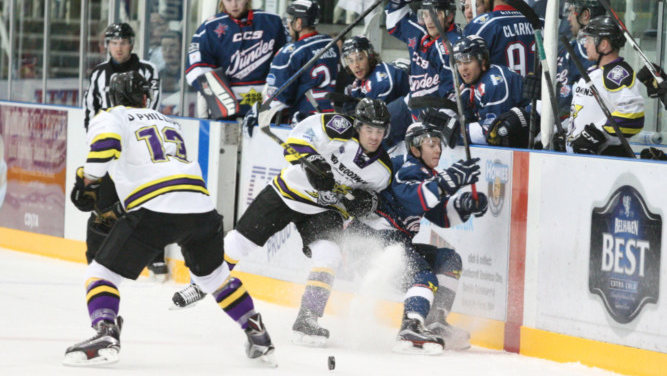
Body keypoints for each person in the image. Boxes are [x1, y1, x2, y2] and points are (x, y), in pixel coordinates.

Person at [65, 71, 275, 366]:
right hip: (201, 209)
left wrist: (87, 182)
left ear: (112, 97)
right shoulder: (167, 121)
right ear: (145, 97)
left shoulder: (113, 115)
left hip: (155, 210)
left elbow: (105, 146)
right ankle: (257, 333)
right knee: (215, 278)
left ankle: (106, 332)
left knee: (100, 275)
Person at [229, 99, 393, 347]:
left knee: (329, 256)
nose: (374, 137)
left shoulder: (382, 170)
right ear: (358, 126)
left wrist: (365, 202)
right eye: (369, 129)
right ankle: (206, 278)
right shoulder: (337, 126)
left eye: (379, 131)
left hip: (323, 209)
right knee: (238, 244)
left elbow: (373, 202)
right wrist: (315, 164)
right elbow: (295, 143)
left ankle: (308, 319)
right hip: (287, 193)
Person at [349, 122, 487, 353]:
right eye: (430, 144)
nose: (438, 150)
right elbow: (414, 198)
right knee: (423, 275)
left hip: (395, 243)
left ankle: (435, 321)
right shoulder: (403, 167)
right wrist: (448, 180)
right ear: (414, 149)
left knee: (448, 259)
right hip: (374, 244)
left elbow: (441, 215)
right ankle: (410, 325)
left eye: (439, 145)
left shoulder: (424, 174)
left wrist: (465, 205)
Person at [81, 22, 167, 279]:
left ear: (132, 43)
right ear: (108, 45)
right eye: (113, 43)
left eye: (123, 42)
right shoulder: (99, 74)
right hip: (111, 149)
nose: (118, 48)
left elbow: (152, 107)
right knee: (104, 205)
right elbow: (90, 111)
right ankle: (97, 258)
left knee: (149, 202)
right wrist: (97, 143)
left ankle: (155, 258)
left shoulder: (148, 70)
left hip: (140, 149)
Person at [185, 0, 287, 118]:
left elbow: (286, 60)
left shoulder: (271, 22)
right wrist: (220, 100)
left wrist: (276, 97)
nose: (234, 5)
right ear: (222, 1)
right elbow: (196, 67)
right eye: (229, 0)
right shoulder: (210, 28)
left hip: (266, 105)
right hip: (226, 107)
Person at [384, 0, 461, 145]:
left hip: (434, 110)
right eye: (425, 14)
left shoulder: (453, 44)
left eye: (436, 14)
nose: (429, 20)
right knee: (377, 124)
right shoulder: (420, 32)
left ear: (450, 16)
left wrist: (445, 120)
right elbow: (394, 23)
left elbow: (453, 92)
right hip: (412, 103)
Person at [246, 0, 340, 132]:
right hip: (331, 119)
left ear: (299, 23)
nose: (288, 24)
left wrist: (256, 111)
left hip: (303, 121)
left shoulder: (290, 53)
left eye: (290, 20)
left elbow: (278, 98)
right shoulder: (330, 44)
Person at [566, 16, 644, 157]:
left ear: (603, 45)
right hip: (581, 159)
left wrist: (596, 135)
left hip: (606, 160)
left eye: (589, 40)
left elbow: (633, 117)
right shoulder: (594, 72)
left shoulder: (617, 74)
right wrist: (570, 135)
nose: (585, 45)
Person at [452, 35, 530, 148]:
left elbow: (495, 133)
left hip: (535, 144)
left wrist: (458, 133)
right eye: (459, 63)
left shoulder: (493, 84)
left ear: (482, 62)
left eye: (467, 61)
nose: (463, 68)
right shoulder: (471, 83)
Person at [555, 0, 610, 118]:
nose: (568, 18)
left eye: (572, 11)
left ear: (585, 15)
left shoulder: (588, 52)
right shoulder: (574, 46)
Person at [463, 0, 536, 77]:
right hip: (531, 90)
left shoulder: (482, 25)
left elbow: (466, 69)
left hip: (497, 91)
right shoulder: (535, 21)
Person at [342, 35, 409, 109]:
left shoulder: (381, 81)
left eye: (360, 58)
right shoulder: (361, 80)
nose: (355, 65)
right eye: (350, 61)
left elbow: (378, 116)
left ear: (370, 55)